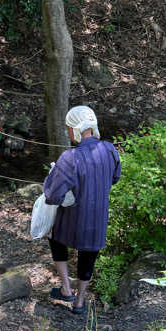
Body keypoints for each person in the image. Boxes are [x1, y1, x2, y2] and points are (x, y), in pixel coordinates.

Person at [42, 105, 120, 313]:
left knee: (55, 236)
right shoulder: (110, 150)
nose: (68, 132)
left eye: (69, 127)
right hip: (98, 218)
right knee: (89, 253)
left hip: (73, 218)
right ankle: (80, 302)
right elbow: (115, 178)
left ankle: (67, 289)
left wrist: (50, 178)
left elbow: (52, 195)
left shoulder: (70, 157)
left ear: (75, 129)